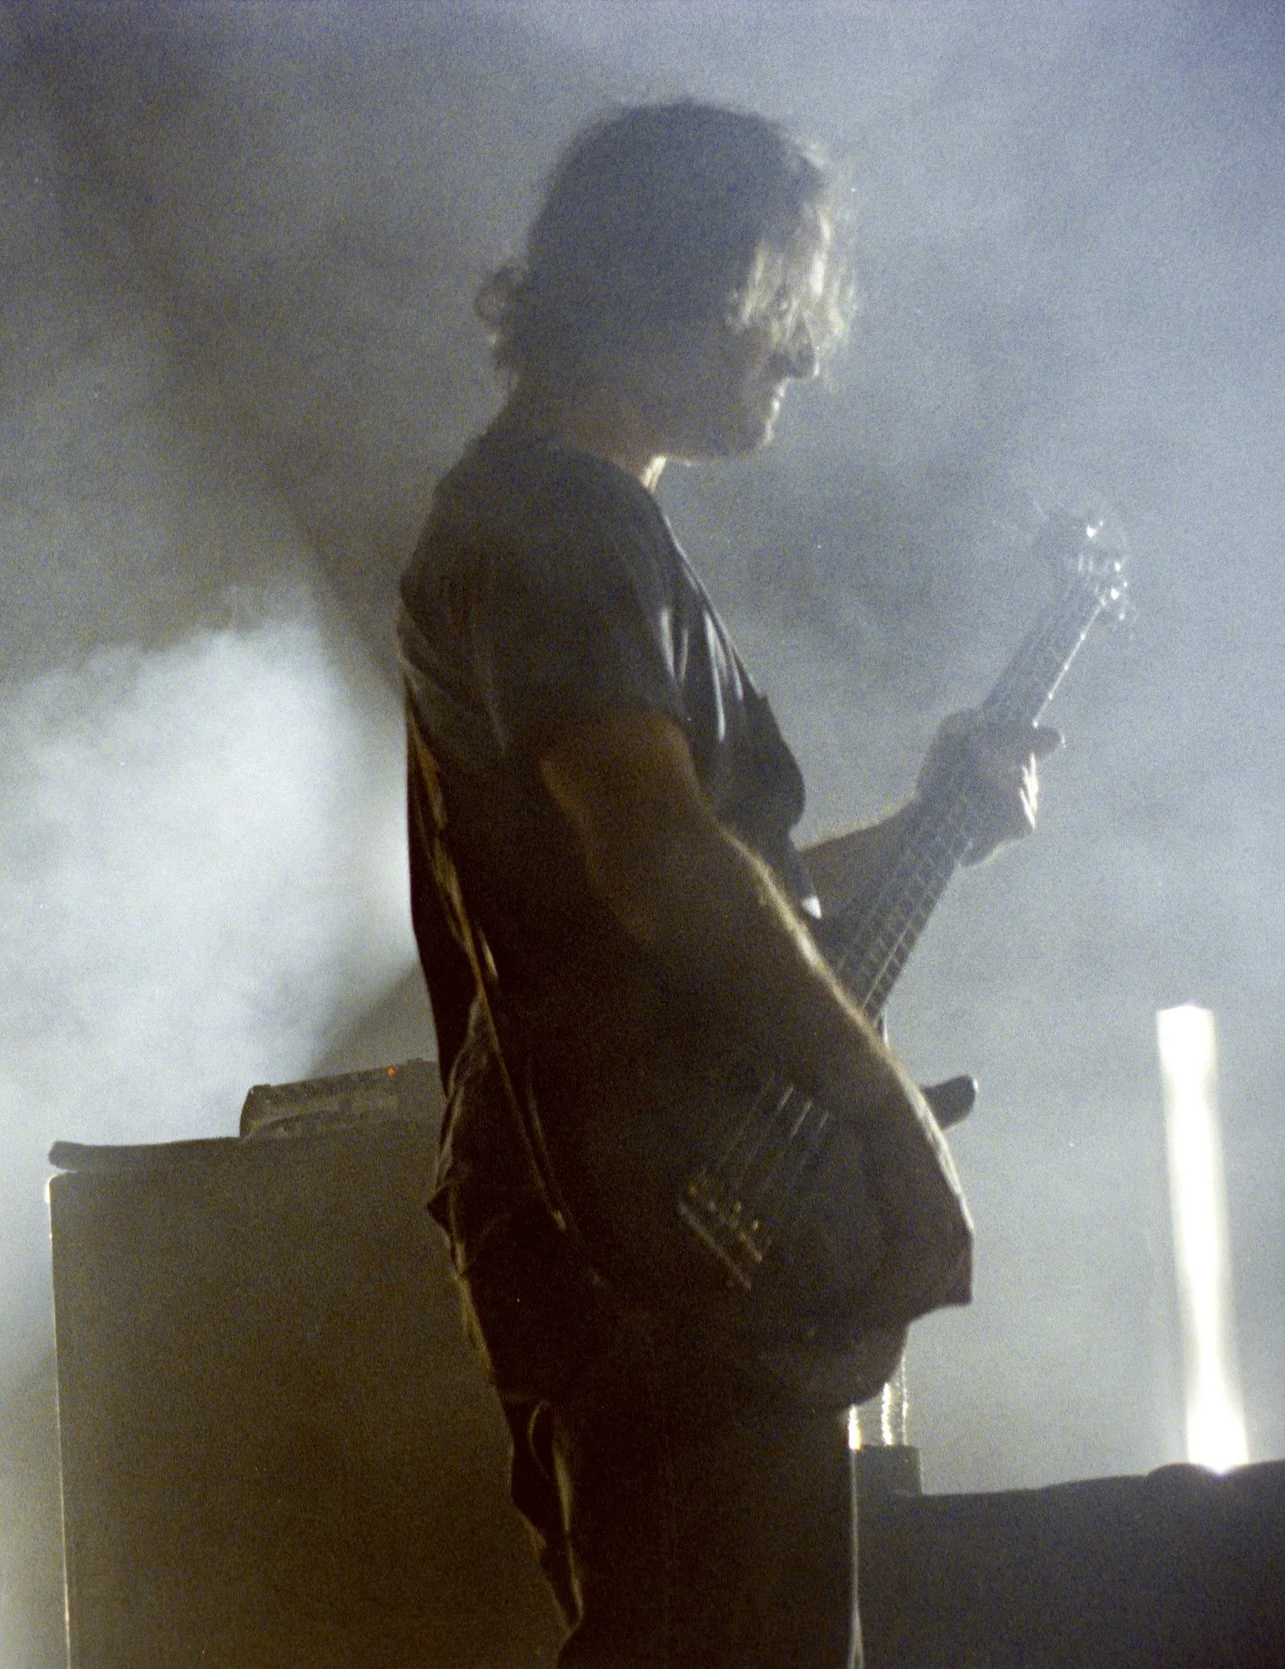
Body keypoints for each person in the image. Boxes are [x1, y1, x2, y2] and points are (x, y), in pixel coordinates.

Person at [396, 101, 1059, 1667]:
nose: (806, 354)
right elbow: (658, 860)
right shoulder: (552, 522)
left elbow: (699, 883)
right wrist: (886, 1115)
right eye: (783, 305)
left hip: (680, 1228)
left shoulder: (585, 525)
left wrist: (930, 830)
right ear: (682, 286)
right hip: (644, 1245)